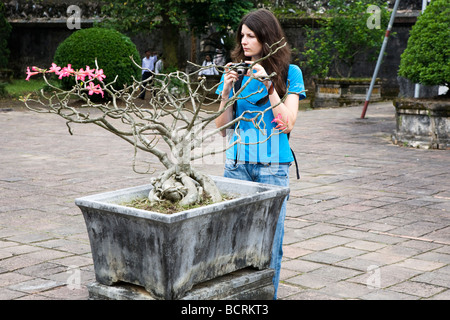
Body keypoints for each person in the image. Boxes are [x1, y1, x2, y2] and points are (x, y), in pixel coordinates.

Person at [215, 8, 306, 300]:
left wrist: (269, 87)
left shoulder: (290, 74)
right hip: (237, 166)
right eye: (242, 35)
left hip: (272, 168)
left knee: (270, 241)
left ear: (267, 38)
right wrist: (227, 91)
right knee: (233, 241)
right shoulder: (235, 73)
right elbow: (222, 129)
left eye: (251, 36)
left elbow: (287, 122)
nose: (244, 41)